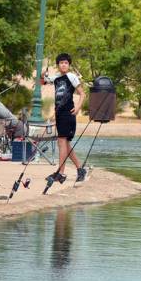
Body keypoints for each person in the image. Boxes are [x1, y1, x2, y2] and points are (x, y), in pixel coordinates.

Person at [44, 53, 87, 183]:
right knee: (64, 144)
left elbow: (83, 94)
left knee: (62, 142)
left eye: (66, 63)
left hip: (68, 113)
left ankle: (61, 173)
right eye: (61, 63)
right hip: (59, 113)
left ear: (69, 65)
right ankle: (80, 169)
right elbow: (43, 81)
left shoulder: (71, 77)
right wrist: (42, 73)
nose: (64, 65)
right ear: (58, 65)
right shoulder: (56, 78)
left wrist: (78, 107)